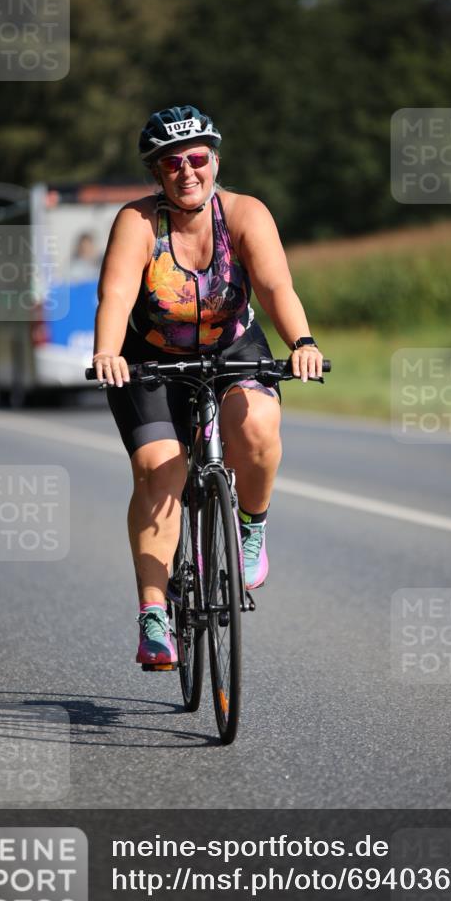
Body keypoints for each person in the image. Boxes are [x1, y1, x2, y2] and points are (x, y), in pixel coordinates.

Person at [93, 104, 323, 669]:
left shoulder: (244, 214)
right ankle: (153, 614)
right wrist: (105, 350)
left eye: (198, 158)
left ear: (215, 160)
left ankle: (250, 526)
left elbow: (274, 286)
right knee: (159, 470)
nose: (187, 171)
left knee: (260, 427)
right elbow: (117, 293)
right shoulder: (138, 221)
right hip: (151, 356)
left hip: (232, 346)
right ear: (156, 174)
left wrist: (302, 342)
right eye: (172, 163)